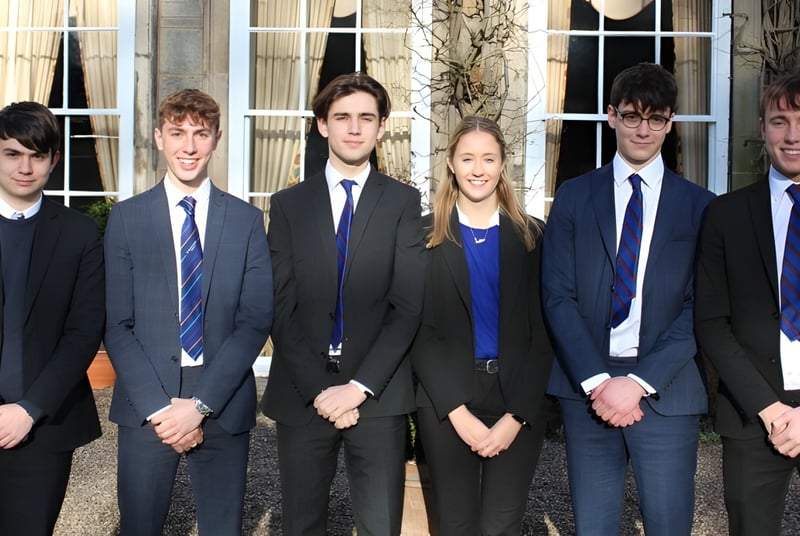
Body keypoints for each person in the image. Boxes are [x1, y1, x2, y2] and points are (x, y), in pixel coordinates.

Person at [542, 62, 714, 535]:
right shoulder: (574, 196)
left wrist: (638, 381)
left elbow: (702, 306)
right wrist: (599, 381)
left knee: (668, 525)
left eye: (656, 119)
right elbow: (557, 295)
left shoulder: (701, 206)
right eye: (633, 116)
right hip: (588, 388)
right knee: (593, 526)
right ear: (611, 115)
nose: (643, 130)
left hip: (666, 387)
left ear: (670, 122)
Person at [260, 72, 426, 535]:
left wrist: (358, 388)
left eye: (366, 118)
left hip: (377, 393)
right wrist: (320, 390)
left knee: (379, 525)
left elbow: (407, 306)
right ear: (322, 125)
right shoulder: (289, 204)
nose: (355, 128)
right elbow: (280, 305)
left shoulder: (403, 203)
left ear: (382, 127)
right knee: (302, 524)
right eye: (343, 117)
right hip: (302, 392)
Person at [104, 88, 272, 536]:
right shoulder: (127, 219)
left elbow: (254, 320)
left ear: (217, 138)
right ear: (159, 137)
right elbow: (116, 325)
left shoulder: (246, 221)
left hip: (221, 396)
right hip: (147, 401)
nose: (189, 146)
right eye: (177, 133)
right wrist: (161, 409)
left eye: (201, 134)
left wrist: (200, 405)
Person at [409, 115, 553, 535]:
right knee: (455, 523)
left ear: (503, 164)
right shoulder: (423, 236)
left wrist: (516, 416)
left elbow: (544, 332)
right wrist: (456, 411)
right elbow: (417, 329)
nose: (478, 169)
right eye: (467, 158)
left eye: (488, 159)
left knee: (502, 524)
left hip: (516, 395)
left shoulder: (533, 237)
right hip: (446, 398)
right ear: (450, 163)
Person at [695, 72, 800, 536]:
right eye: (780, 121)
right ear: (762, 128)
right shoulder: (726, 214)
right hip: (753, 415)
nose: (792, 136)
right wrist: (771, 409)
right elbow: (711, 321)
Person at [0, 101, 104, 535]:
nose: (25, 167)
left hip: (43, 425)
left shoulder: (79, 233)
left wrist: (30, 408)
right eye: (12, 154)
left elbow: (84, 332)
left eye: (37, 155)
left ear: (54, 159)